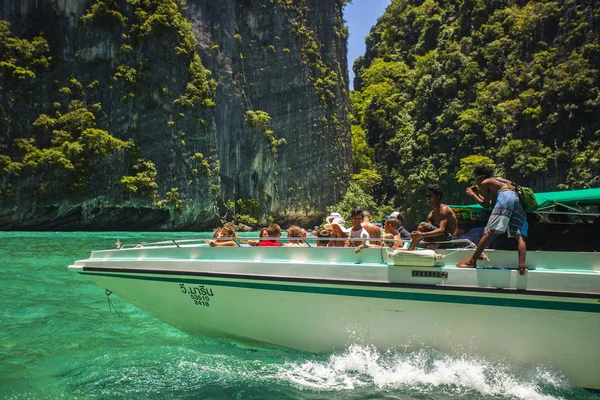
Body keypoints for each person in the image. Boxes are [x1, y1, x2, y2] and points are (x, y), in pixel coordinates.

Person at [457, 164, 528, 274]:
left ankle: (472, 261)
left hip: (505, 197)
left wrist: (472, 194)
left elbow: (485, 205)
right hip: (516, 199)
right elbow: (491, 204)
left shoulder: (486, 182)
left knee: (488, 232)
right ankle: (522, 266)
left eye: (476, 179)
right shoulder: (499, 181)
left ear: (482, 177)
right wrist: (477, 194)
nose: (477, 182)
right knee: (519, 235)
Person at [407, 184, 459, 251]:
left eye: (430, 196)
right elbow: (427, 228)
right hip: (441, 239)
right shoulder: (431, 214)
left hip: (451, 240)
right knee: (422, 227)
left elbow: (441, 231)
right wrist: (416, 235)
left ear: (438, 196)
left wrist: (421, 235)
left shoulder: (444, 210)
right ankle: (410, 250)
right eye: (426, 196)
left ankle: (410, 249)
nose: (427, 198)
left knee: (423, 225)